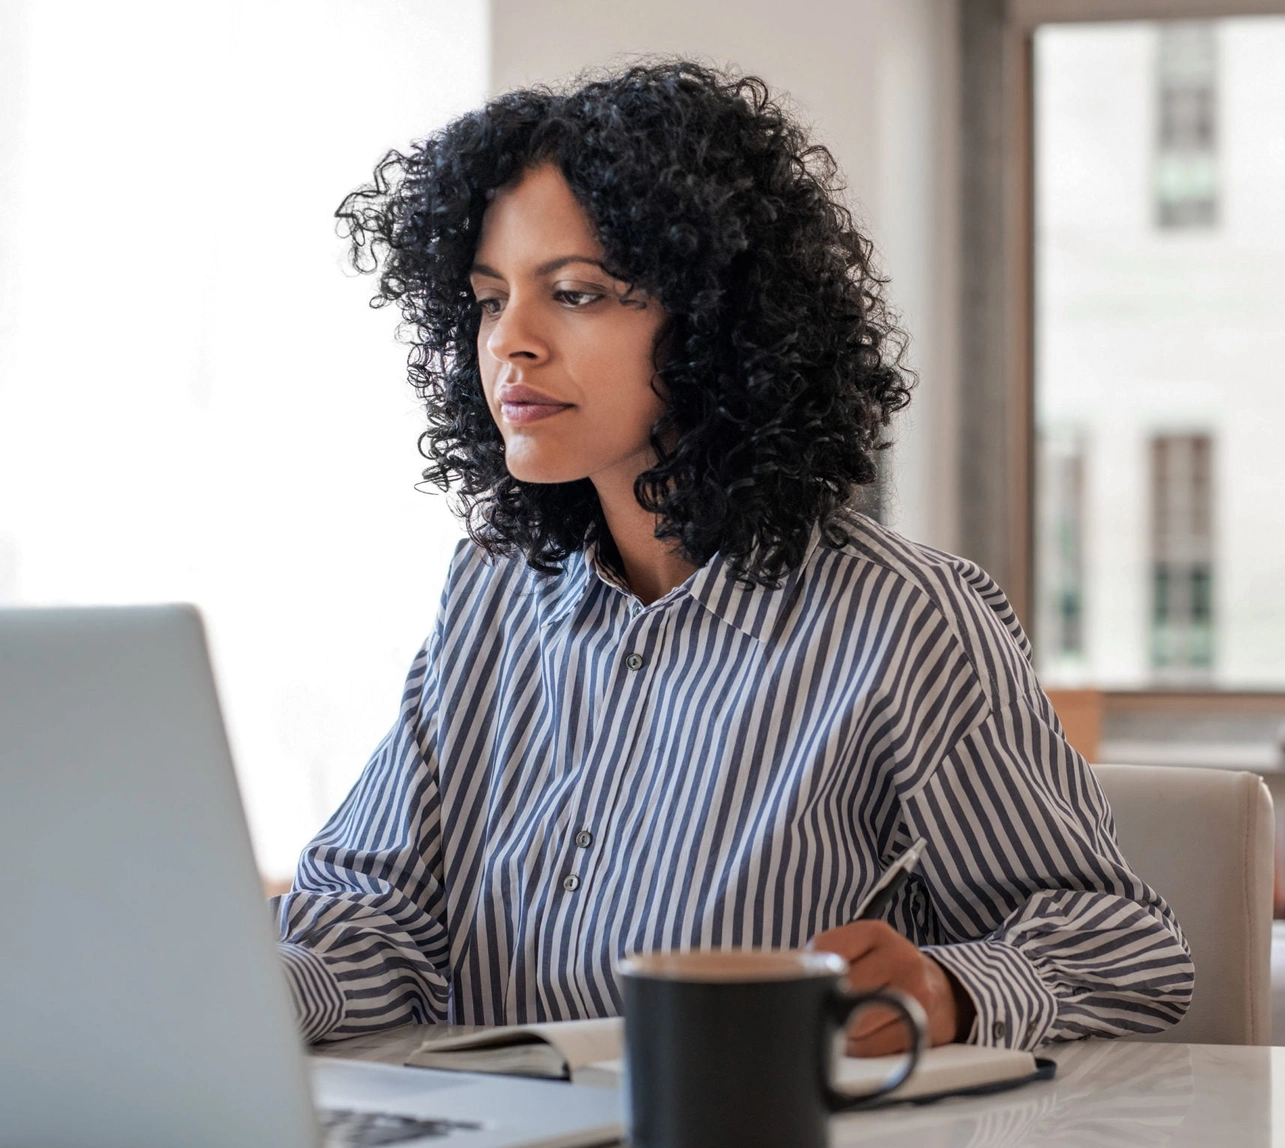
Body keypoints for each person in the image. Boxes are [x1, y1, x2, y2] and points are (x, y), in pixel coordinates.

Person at [274, 60, 1193, 1055]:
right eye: (490, 300)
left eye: (576, 293)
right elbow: (374, 917)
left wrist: (946, 987)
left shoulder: (906, 618)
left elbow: (1128, 954)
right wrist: (225, 984)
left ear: (716, 324)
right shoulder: (492, 588)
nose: (513, 345)